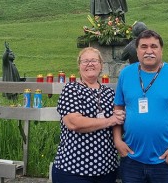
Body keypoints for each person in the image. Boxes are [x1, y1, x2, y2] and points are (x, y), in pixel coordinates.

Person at [113, 30, 168, 183]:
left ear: (161, 50)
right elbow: (118, 108)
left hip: (165, 160)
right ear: (137, 51)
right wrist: (117, 141)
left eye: (153, 46)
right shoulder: (126, 74)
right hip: (132, 159)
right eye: (143, 47)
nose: (149, 51)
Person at [52, 47, 125, 183]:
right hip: (73, 170)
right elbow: (74, 123)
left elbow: (119, 122)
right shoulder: (71, 89)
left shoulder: (110, 93)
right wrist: (110, 120)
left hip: (106, 169)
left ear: (101, 65)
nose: (90, 64)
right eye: (85, 61)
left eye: (94, 60)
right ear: (79, 66)